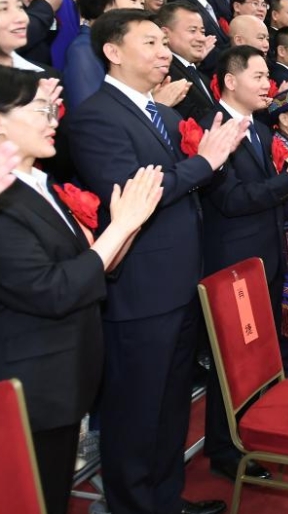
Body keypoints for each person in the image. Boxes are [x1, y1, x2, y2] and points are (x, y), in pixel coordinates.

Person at [64, 8, 246, 514]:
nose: (164, 52)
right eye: (150, 42)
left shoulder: (163, 115)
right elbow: (136, 191)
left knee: (169, 406)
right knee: (136, 410)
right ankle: (132, 505)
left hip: (184, 279)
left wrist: (210, 162)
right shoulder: (95, 116)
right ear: (113, 51)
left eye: (165, 43)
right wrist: (204, 162)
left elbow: (187, 183)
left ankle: (166, 499)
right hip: (140, 288)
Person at [0, 66, 165, 514]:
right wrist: (121, 227)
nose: (54, 119)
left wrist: (129, 225)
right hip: (31, 388)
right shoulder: (5, 203)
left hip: (66, 375)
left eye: (53, 109)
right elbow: (52, 290)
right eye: (40, 110)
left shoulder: (41, 185)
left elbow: (91, 269)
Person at [198, 45, 288, 481]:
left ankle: (254, 430)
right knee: (233, 360)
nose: (267, 84)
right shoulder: (213, 127)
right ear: (231, 81)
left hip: (265, 258)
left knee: (258, 354)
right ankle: (225, 447)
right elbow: (231, 199)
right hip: (232, 262)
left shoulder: (259, 129)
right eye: (258, 76)